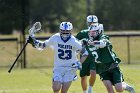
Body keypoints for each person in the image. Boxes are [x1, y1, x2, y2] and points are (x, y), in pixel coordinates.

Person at [27, 22, 88, 93]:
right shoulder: (55, 37)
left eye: (67, 31)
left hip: (70, 68)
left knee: (64, 91)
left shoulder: (74, 41)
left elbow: (85, 53)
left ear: (70, 31)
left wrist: (79, 63)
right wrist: (34, 42)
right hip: (58, 67)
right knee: (56, 88)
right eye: (63, 31)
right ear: (60, 30)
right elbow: (43, 45)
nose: (65, 32)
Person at [85, 23, 135, 93]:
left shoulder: (103, 37)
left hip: (112, 66)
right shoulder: (88, 41)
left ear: (99, 31)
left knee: (119, 89)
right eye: (90, 32)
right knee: (109, 88)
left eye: (94, 32)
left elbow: (102, 44)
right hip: (101, 68)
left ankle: (128, 87)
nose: (91, 34)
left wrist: (91, 43)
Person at [76, 15, 103, 93]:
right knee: (83, 77)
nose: (92, 24)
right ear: (87, 23)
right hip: (84, 58)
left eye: (94, 22)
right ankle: (85, 92)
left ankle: (90, 89)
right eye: (90, 23)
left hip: (94, 57)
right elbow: (74, 43)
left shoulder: (98, 33)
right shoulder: (82, 33)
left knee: (93, 73)